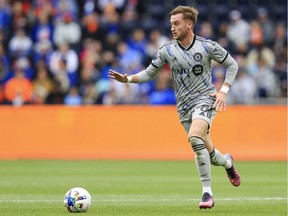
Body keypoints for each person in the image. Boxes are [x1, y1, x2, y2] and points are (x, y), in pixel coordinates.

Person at [108, 6, 240, 209]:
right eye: (171, 24)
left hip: (205, 100)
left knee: (195, 139)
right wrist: (126, 79)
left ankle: (207, 193)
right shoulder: (167, 50)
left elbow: (232, 64)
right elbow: (149, 73)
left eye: (176, 23)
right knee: (210, 154)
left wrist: (223, 90)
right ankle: (228, 163)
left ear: (189, 24)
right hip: (184, 107)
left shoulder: (206, 46)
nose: (173, 28)